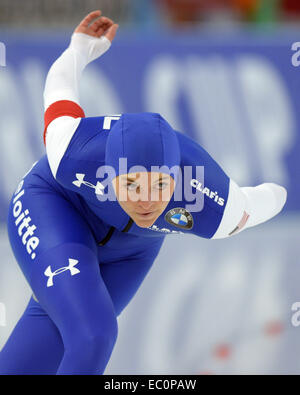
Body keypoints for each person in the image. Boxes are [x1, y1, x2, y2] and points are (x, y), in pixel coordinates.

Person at [0, 10, 287, 375]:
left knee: (52, 341)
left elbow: (265, 200)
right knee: (93, 335)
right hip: (54, 208)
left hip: (131, 250)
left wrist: (280, 194)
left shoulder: (212, 204)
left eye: (161, 185)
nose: (146, 200)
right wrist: (81, 48)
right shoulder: (72, 151)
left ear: (178, 179)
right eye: (131, 184)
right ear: (108, 172)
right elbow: (59, 87)